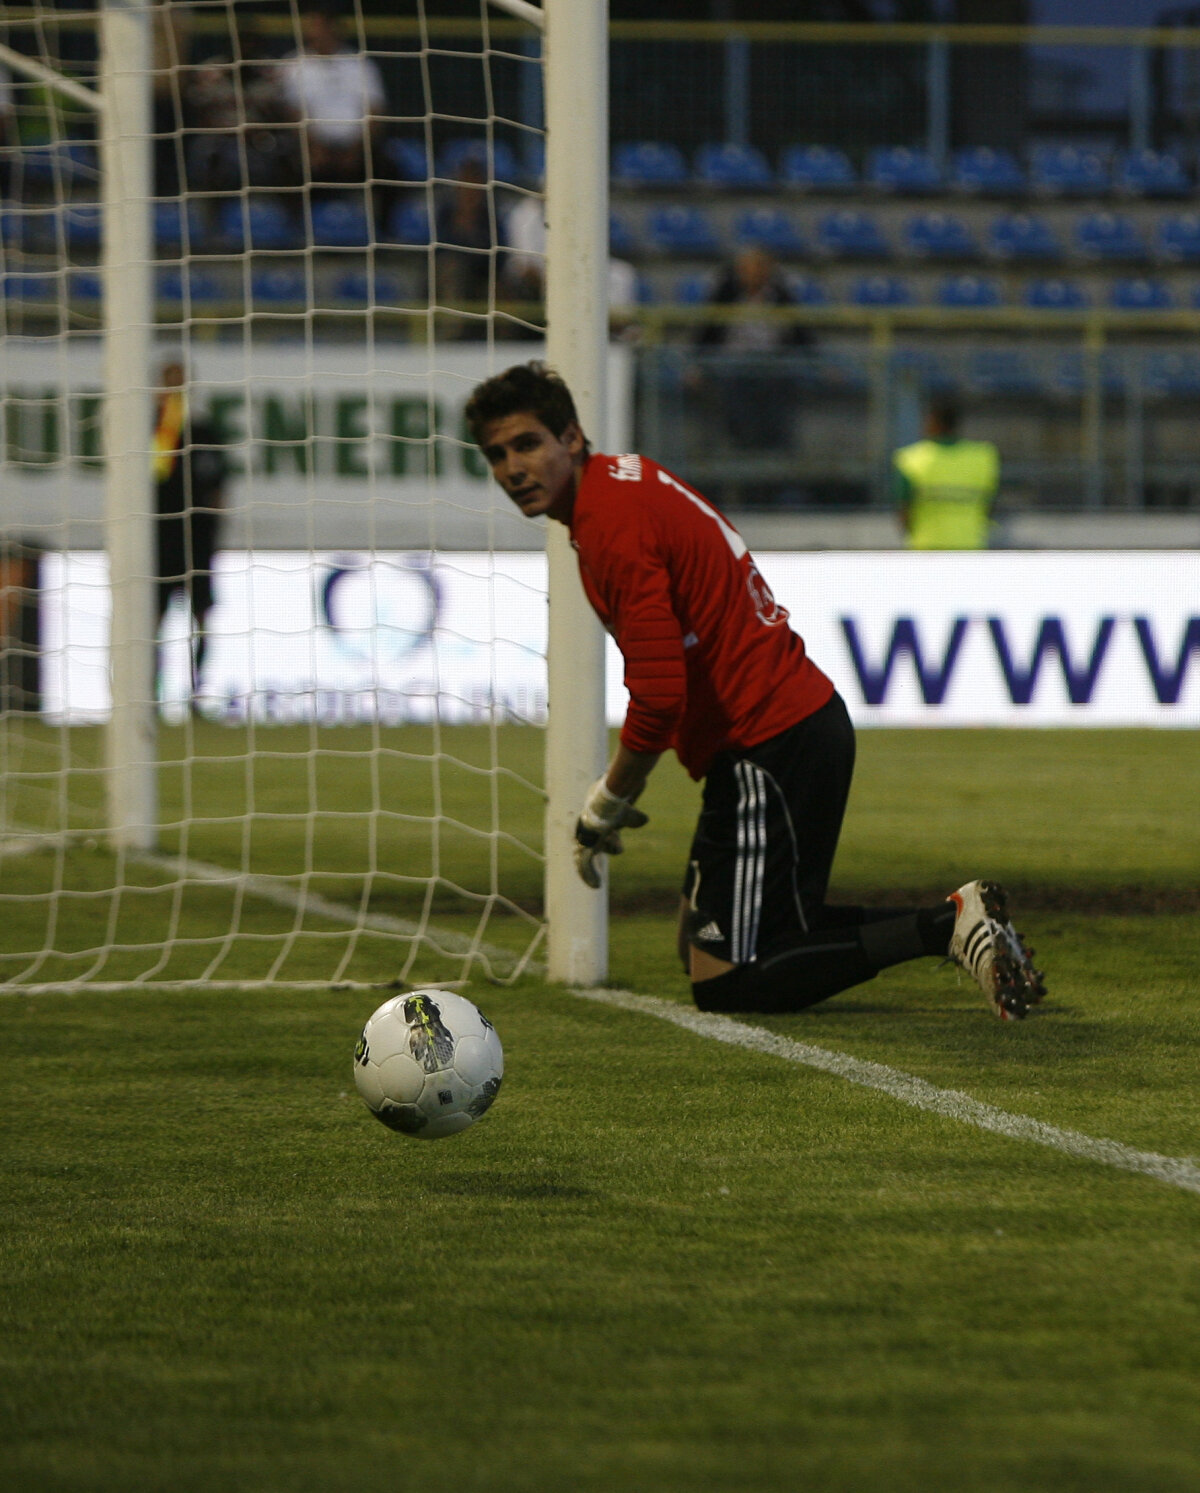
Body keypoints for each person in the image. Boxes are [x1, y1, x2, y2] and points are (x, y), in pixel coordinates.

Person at [465, 362, 1046, 1022]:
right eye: (497, 454)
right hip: (786, 728)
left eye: (527, 444)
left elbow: (659, 695)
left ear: (570, 437)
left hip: (769, 742)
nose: (513, 467)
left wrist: (607, 799)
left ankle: (945, 927)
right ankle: (961, 922)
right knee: (703, 939)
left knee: (727, 982)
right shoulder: (619, 486)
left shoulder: (611, 525)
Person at [153, 361, 228, 701]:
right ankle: (150, 693)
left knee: (201, 617)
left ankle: (198, 692)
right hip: (158, 540)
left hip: (197, 539)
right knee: (153, 619)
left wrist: (213, 538)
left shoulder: (205, 434)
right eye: (170, 381)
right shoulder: (149, 434)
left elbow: (217, 491)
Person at [276, 2, 385, 187]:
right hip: (309, 149)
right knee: (287, 170)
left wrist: (356, 151)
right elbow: (291, 112)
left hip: (359, 149)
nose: (314, 32)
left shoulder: (360, 63)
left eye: (319, 26)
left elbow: (375, 111)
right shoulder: (291, 64)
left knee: (388, 169)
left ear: (334, 28)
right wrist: (313, 147)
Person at [893, 398, 999, 550]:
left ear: (933, 423)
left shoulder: (912, 458)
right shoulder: (983, 456)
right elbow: (990, 503)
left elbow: (904, 511)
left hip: (926, 548)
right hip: (970, 548)